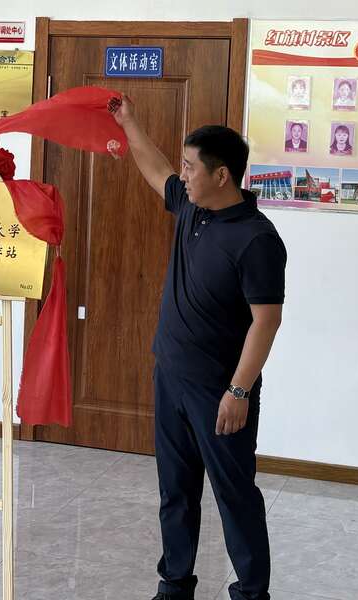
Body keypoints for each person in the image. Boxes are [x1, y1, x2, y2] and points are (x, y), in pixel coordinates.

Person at [113, 96, 286, 600]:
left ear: (222, 175)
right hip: (170, 376)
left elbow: (267, 321)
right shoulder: (192, 206)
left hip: (220, 390)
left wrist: (239, 390)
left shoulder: (257, 239)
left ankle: (251, 592)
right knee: (175, 490)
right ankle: (174, 584)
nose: (183, 175)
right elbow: (155, 169)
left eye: (191, 167)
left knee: (235, 495)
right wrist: (129, 121)